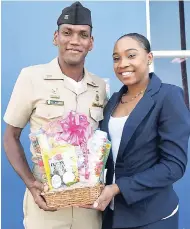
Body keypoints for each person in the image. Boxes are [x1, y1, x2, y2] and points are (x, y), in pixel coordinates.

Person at [3, 2, 107, 229]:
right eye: (67, 32)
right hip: (46, 203)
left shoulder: (99, 86)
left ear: (91, 42)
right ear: (55, 37)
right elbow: (10, 136)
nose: (74, 41)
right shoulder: (32, 77)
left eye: (83, 35)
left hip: (88, 209)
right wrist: (31, 184)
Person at [92, 33, 190, 229]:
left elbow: (174, 166)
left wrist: (118, 188)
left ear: (149, 58)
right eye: (116, 58)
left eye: (131, 55)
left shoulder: (168, 96)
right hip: (112, 213)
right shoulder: (112, 101)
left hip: (151, 215)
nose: (122, 64)